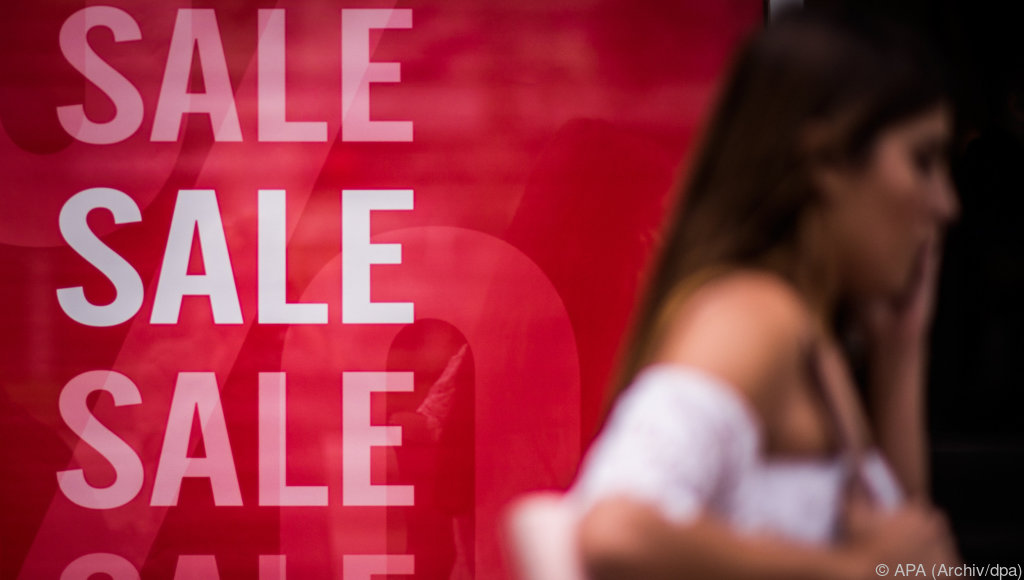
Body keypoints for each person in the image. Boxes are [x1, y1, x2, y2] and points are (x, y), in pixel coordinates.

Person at [567, 8, 962, 580]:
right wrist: (848, 568)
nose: (945, 203)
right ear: (827, 158)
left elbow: (904, 552)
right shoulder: (755, 316)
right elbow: (615, 526)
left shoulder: (801, 329)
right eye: (922, 161)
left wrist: (900, 351)